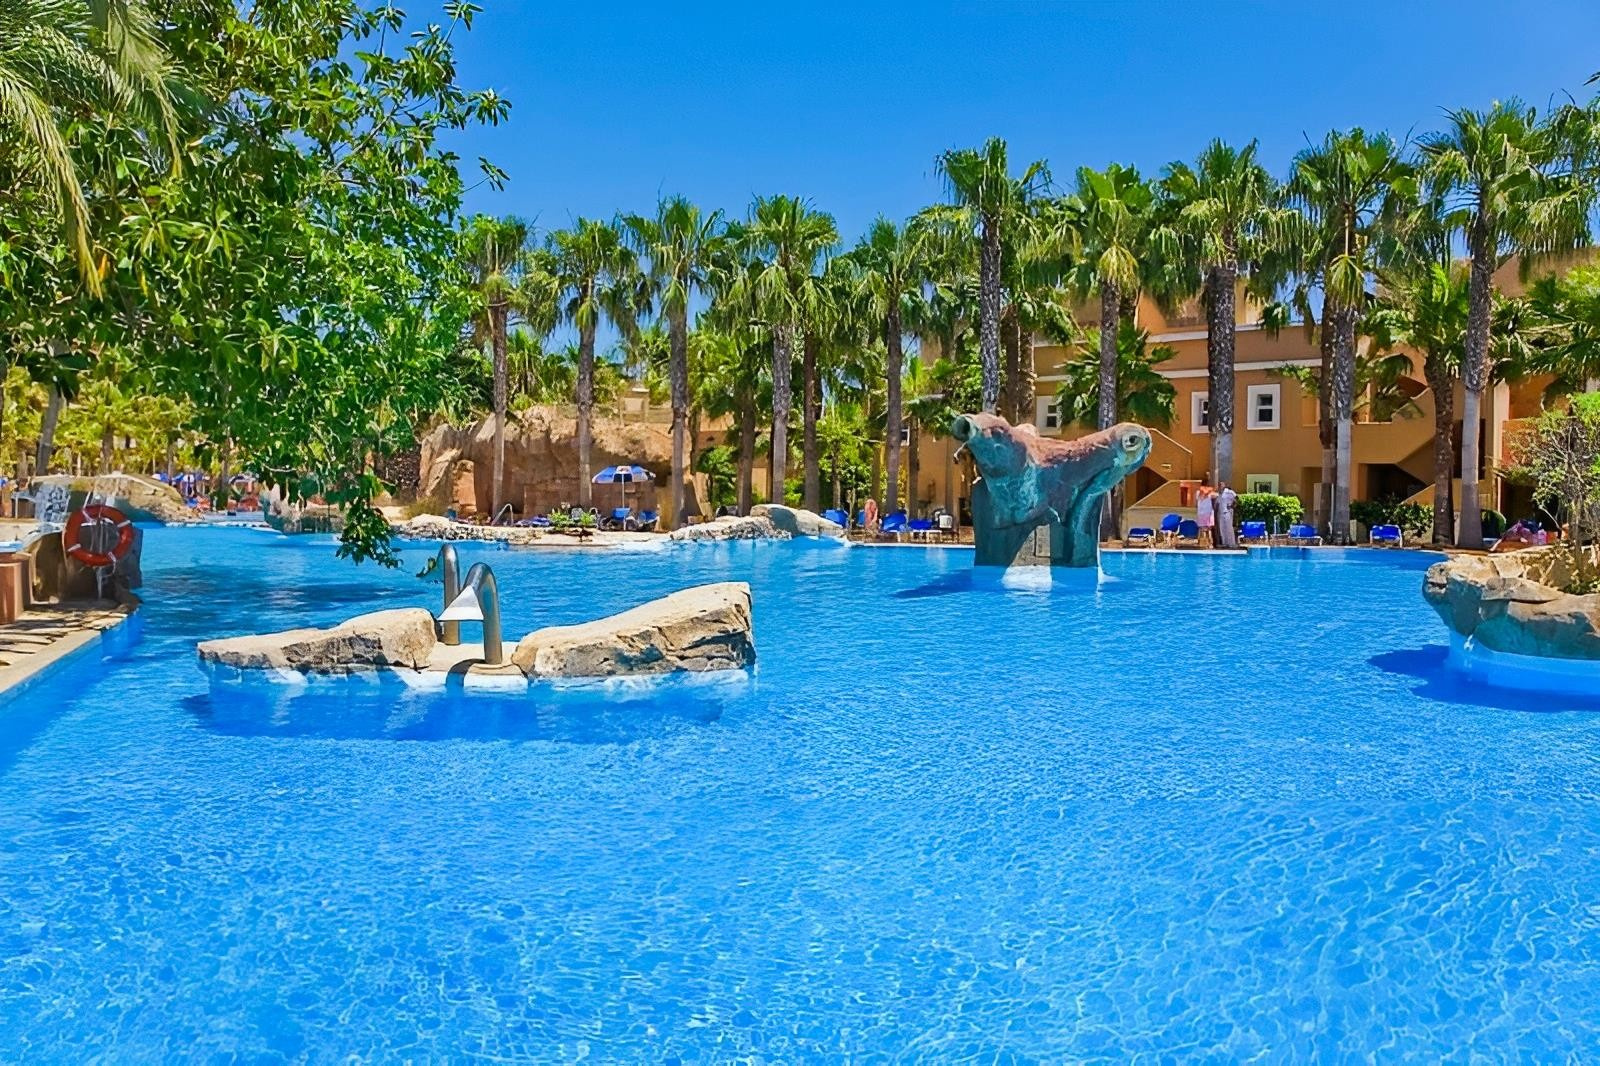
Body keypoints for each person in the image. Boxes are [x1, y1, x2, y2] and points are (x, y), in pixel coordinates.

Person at [1217, 481, 1238, 549]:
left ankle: (1232, 543)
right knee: (1222, 529)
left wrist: (1232, 506)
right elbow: (1218, 504)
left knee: (1229, 528)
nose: (1220, 486)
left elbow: (1236, 499)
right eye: (1219, 485)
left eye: (1221, 485)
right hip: (1221, 513)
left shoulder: (1229, 492)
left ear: (1224, 485)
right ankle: (1225, 543)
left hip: (1227, 512)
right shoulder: (1219, 494)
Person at [1195, 479, 1215, 549]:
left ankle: (1203, 544)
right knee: (1209, 529)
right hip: (1208, 512)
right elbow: (1216, 495)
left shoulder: (1198, 492)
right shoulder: (1210, 492)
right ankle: (1210, 544)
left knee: (1202, 529)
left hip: (1201, 513)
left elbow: (1196, 503)